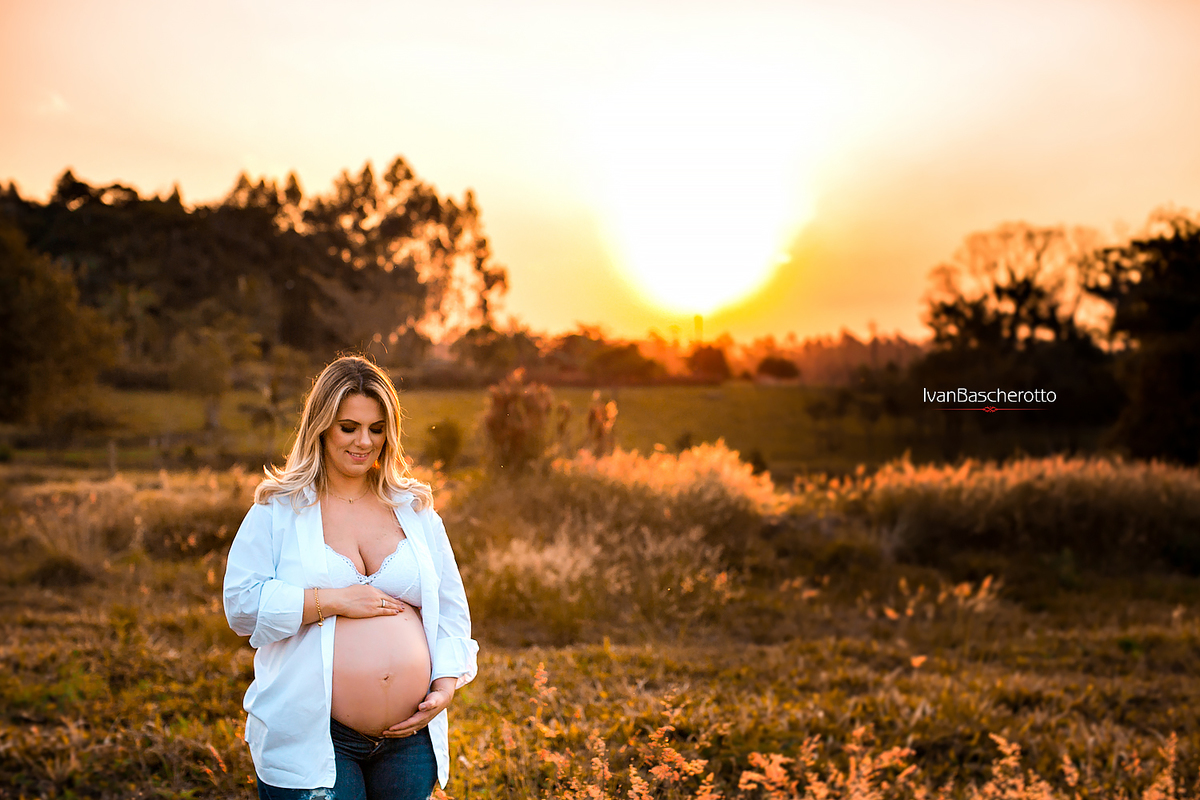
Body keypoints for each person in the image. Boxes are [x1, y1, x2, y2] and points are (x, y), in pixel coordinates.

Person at [224, 355, 478, 800]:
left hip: (409, 740)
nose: (364, 441)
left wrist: (445, 685)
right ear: (321, 426)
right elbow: (242, 606)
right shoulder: (278, 511)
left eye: (377, 429)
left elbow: (450, 609)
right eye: (349, 427)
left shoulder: (414, 510)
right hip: (315, 736)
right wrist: (333, 600)